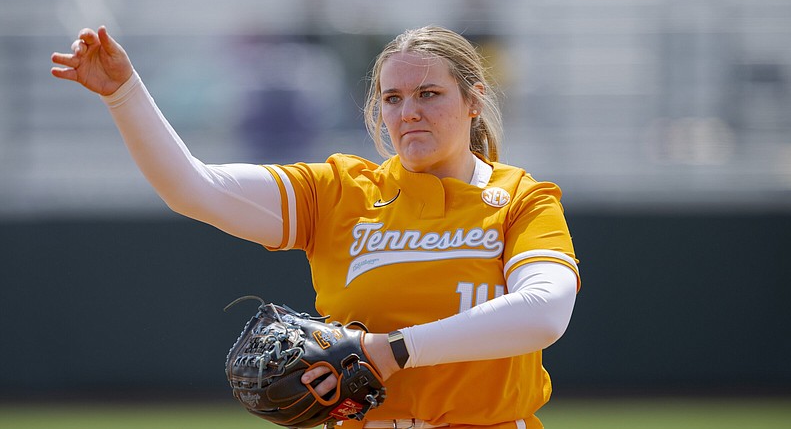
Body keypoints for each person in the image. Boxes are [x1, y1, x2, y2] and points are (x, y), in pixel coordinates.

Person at [51, 25, 580, 429]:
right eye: (392, 99)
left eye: (429, 94)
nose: (408, 112)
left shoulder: (520, 198)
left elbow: (545, 313)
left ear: (474, 101)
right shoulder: (340, 191)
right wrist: (124, 94)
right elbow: (194, 188)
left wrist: (394, 350)